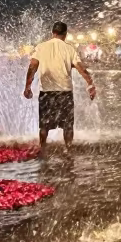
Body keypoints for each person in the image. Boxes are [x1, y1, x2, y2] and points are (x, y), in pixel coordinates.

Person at [23, 22, 96, 151]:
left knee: (44, 125)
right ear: (65, 34)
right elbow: (82, 69)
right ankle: (68, 150)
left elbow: (32, 66)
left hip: (46, 92)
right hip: (65, 92)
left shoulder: (41, 47)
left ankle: (43, 149)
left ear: (53, 33)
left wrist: (27, 87)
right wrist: (90, 85)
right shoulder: (69, 49)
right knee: (68, 125)